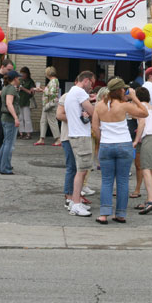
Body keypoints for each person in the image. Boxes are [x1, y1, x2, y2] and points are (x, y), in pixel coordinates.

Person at [92, 77, 147, 224]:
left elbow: (95, 127)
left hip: (106, 145)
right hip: (124, 144)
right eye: (123, 88)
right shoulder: (124, 105)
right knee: (122, 181)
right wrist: (134, 97)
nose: (125, 90)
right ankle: (121, 214)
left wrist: (102, 139)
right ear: (119, 90)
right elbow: (144, 113)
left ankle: (104, 214)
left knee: (107, 180)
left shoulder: (99, 105)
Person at [65, 71, 96, 217]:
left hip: (75, 134)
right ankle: (76, 204)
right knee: (82, 170)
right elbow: (92, 111)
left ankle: (74, 200)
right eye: (91, 83)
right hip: (81, 136)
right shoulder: (80, 92)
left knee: (80, 169)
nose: (91, 87)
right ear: (86, 80)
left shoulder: (72, 92)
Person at [132, 86, 152, 214]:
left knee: (145, 169)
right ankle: (148, 200)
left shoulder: (141, 107)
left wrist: (136, 140)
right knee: (150, 171)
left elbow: (142, 123)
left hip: (150, 138)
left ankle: (151, 200)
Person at [0, 70, 21, 175]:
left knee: (5, 143)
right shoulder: (11, 89)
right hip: (9, 119)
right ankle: (5, 168)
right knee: (9, 144)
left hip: (5, 118)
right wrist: (16, 118)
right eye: (18, 78)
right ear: (15, 79)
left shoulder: (5, 87)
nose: (19, 80)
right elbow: (9, 104)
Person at [35, 66, 61, 146]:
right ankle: (41, 138)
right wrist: (44, 89)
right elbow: (51, 91)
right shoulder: (54, 81)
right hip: (47, 104)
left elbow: (52, 93)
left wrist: (42, 90)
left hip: (50, 104)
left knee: (52, 121)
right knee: (43, 121)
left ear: (48, 73)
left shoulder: (53, 81)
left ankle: (58, 139)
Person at [17, 66, 36, 140]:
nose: (22, 75)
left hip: (27, 102)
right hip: (19, 101)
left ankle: (28, 133)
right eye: (21, 73)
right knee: (20, 118)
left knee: (27, 118)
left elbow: (32, 93)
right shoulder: (20, 80)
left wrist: (23, 88)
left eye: (24, 73)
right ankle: (21, 133)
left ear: (27, 74)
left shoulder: (30, 82)